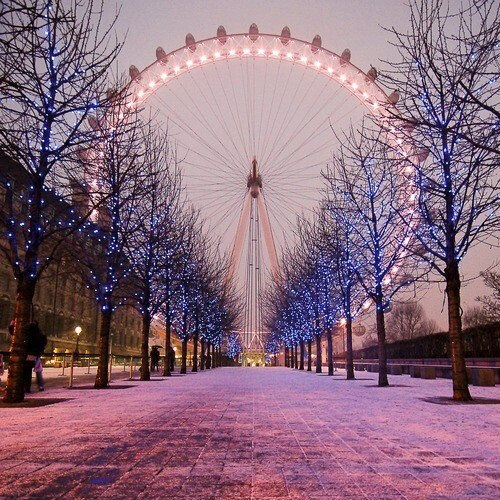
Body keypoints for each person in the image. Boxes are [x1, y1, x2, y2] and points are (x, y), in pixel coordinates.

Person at [23, 321, 47, 393]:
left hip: (29, 355)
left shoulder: (29, 336)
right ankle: (40, 385)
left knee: (27, 372)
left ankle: (27, 387)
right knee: (38, 371)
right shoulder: (39, 335)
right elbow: (43, 342)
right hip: (36, 355)